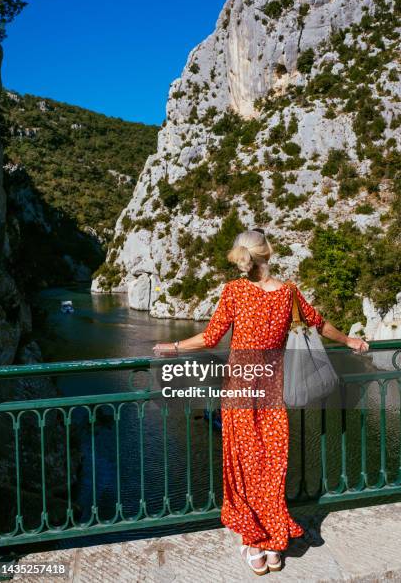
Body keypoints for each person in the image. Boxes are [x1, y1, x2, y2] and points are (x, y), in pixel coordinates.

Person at [154, 229, 369, 575]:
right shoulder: (288, 293)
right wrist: (350, 340)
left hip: (240, 391)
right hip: (272, 394)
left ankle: (254, 545)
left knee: (243, 467)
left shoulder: (235, 291)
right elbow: (319, 324)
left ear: (242, 256)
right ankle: (272, 547)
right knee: (270, 467)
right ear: (269, 252)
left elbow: (210, 339)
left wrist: (174, 348)